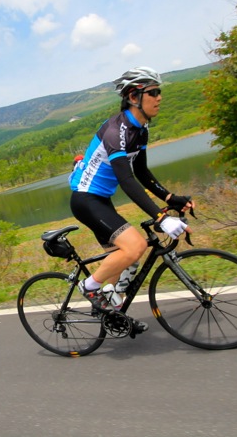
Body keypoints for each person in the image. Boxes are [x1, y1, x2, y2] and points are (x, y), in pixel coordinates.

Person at [68, 66, 195, 333]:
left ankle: (112, 315)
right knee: (135, 245)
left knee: (128, 258)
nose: (159, 97)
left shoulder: (141, 130)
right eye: (153, 92)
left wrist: (172, 198)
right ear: (133, 96)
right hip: (85, 200)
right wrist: (161, 218)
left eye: (159, 91)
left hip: (101, 199)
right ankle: (89, 287)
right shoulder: (117, 131)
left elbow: (142, 173)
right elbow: (126, 181)